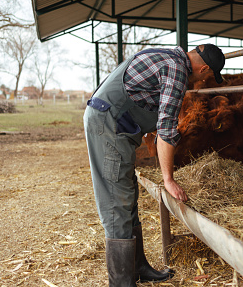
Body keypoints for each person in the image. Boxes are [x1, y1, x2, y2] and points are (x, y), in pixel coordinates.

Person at [83, 44, 225, 286]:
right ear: (204, 68)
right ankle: (121, 282)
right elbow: (167, 128)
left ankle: (138, 267)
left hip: (118, 127)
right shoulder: (177, 70)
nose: (203, 81)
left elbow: (151, 109)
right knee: (117, 201)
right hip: (108, 127)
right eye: (208, 77)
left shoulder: (167, 55)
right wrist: (168, 179)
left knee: (128, 194)